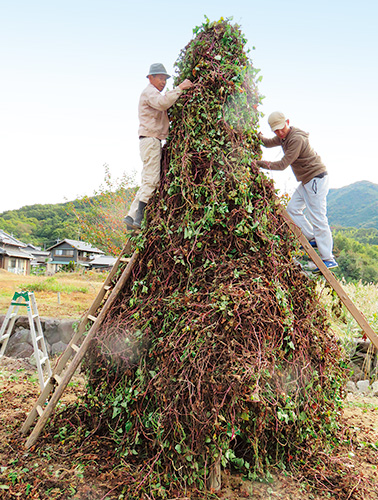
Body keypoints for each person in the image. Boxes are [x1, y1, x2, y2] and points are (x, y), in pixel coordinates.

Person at [256, 111, 338, 271]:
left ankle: (328, 258)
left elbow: (282, 165)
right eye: (276, 131)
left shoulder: (296, 139)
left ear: (287, 122)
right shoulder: (283, 137)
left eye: (281, 128)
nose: (279, 133)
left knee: (318, 217)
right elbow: (267, 143)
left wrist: (257, 163)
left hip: (316, 179)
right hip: (306, 180)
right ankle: (312, 238)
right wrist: (256, 136)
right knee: (292, 210)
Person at [124, 63, 193, 230]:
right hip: (150, 140)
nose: (163, 82)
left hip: (150, 140)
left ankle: (131, 216)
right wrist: (181, 88)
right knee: (152, 180)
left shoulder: (151, 93)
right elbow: (163, 103)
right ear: (150, 78)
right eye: (160, 78)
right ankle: (139, 218)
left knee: (147, 179)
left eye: (165, 79)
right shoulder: (150, 93)